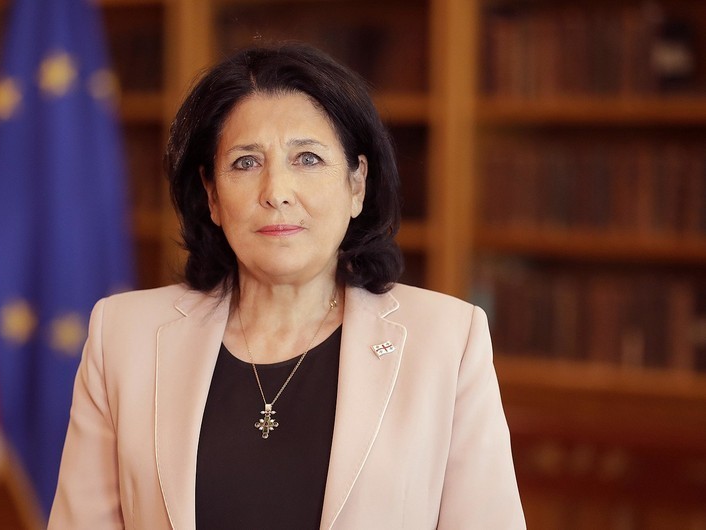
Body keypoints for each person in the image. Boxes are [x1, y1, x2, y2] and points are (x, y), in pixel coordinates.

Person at [48, 43, 525, 529]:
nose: (276, 192)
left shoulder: (447, 341)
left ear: (356, 185)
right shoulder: (122, 337)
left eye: (308, 159)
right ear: (212, 195)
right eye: (245, 163)